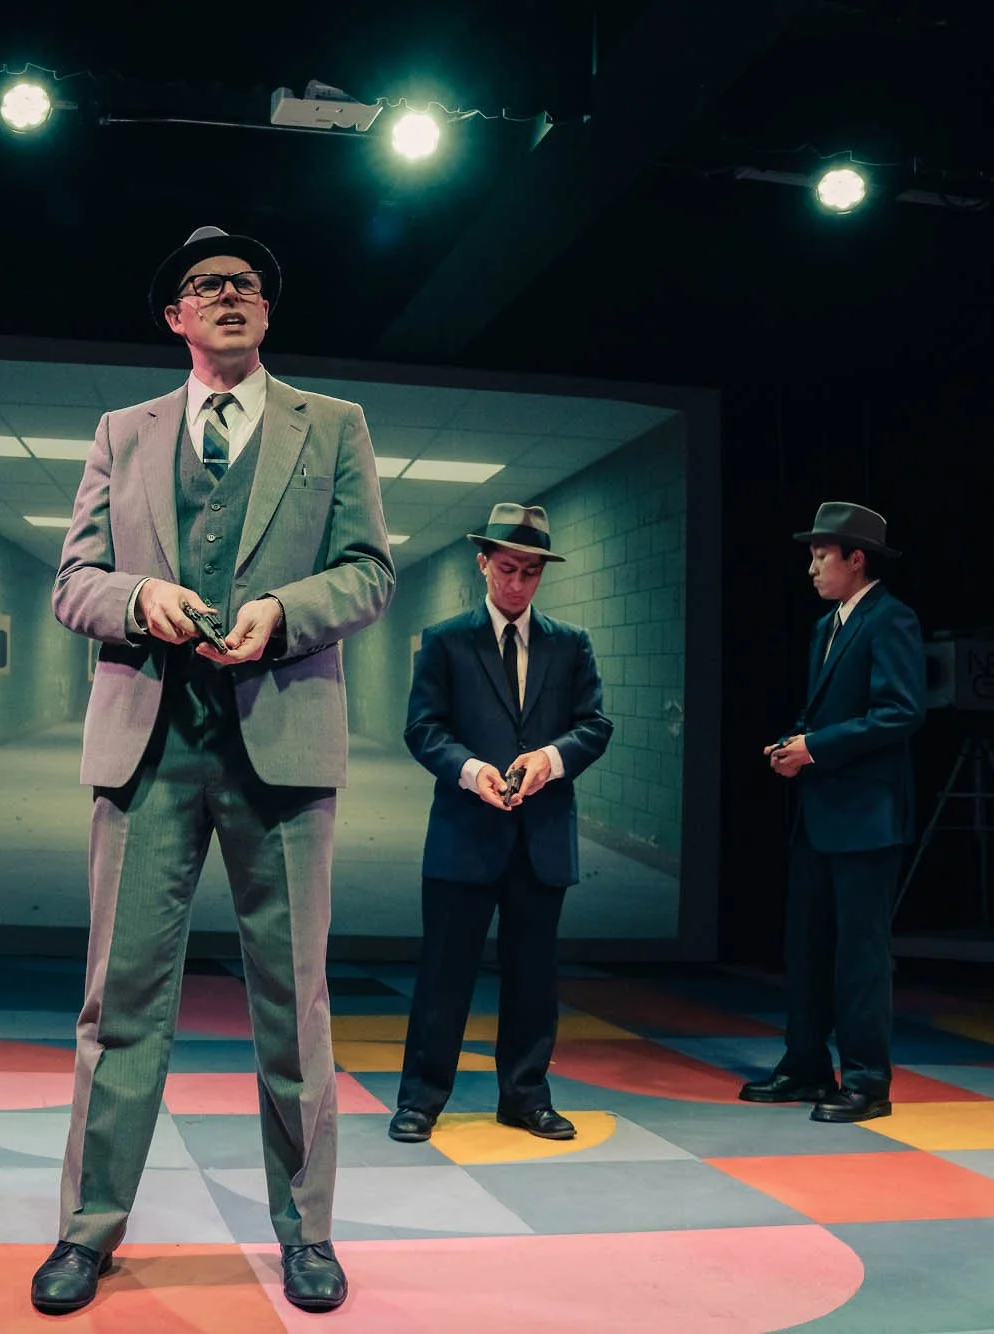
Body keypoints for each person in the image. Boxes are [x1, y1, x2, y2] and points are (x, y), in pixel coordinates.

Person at [34, 225, 395, 1316]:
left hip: (281, 747)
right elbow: (74, 580)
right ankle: (86, 1231)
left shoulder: (333, 425)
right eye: (207, 285)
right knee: (119, 1003)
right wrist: (138, 597)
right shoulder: (123, 432)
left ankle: (308, 1232)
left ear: (266, 312)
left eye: (247, 284)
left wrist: (285, 610)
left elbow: (369, 571)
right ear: (175, 315)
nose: (230, 295)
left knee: (293, 1004)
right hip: (148, 750)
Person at [390, 503, 613, 1144]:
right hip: (464, 832)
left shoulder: (570, 644)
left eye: (530, 572)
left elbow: (594, 725)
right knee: (444, 973)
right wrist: (470, 770)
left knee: (533, 977)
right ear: (483, 564)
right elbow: (423, 728)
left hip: (541, 838)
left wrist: (550, 760)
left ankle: (525, 1097)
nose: (517, 584)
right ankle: (421, 1100)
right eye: (507, 568)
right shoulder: (445, 641)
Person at [741, 501, 926, 1123]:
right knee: (807, 948)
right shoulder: (829, 625)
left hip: (868, 818)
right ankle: (805, 1065)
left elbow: (900, 713)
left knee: (860, 956)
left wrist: (814, 748)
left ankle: (868, 1082)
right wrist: (793, 743)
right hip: (819, 815)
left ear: (857, 559)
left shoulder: (891, 619)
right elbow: (821, 713)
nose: (813, 568)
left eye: (822, 556)